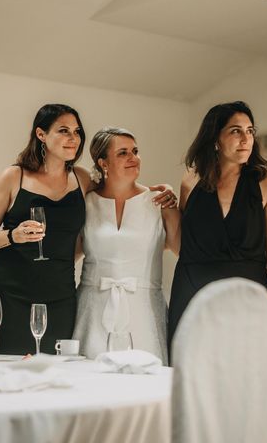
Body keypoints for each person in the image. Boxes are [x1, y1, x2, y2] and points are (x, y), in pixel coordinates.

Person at [168, 101, 267, 357]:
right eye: (236, 131)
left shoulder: (266, 184)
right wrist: (168, 210)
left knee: (245, 385)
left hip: (248, 301)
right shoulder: (190, 182)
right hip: (193, 299)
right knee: (194, 387)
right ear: (215, 138)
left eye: (250, 131)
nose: (246, 139)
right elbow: (183, 247)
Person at [0, 104, 94, 355]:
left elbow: (93, 228)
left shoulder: (83, 179)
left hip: (60, 295)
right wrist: (12, 236)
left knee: (53, 375)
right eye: (63, 130)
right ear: (41, 134)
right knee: (7, 373)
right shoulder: (13, 176)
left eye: (77, 131)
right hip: (10, 293)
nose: (73, 138)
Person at [72, 128, 180, 363]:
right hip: (93, 310)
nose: (134, 158)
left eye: (135, 151)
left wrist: (176, 206)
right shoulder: (86, 203)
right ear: (103, 163)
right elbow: (68, 255)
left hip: (144, 311)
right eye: (123, 153)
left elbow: (184, 250)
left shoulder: (160, 201)